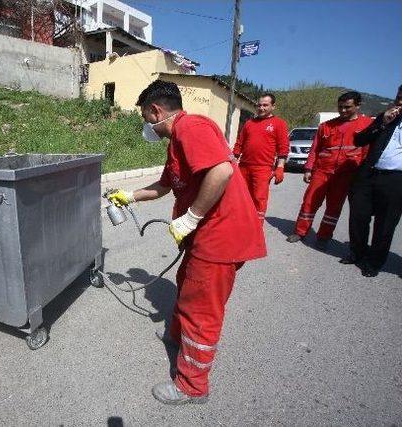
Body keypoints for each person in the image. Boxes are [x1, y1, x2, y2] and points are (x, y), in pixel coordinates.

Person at [107, 80, 266, 405]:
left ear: (156, 111)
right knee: (185, 284)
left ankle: (192, 387)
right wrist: (130, 196)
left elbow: (220, 172)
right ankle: (181, 340)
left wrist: (191, 217)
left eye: (146, 118)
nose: (147, 126)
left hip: (220, 236)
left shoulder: (191, 127)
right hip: (204, 236)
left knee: (201, 310)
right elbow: (165, 185)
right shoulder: (177, 141)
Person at [286, 92, 373, 250]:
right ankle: (300, 231)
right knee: (309, 202)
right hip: (322, 171)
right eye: (340, 107)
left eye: (347, 107)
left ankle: (324, 236)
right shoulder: (326, 126)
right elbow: (315, 149)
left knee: (334, 207)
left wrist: (363, 175)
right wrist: (308, 169)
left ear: (358, 106)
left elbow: (368, 152)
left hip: (346, 175)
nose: (343, 110)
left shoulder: (367, 125)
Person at [341, 85, 402, 277]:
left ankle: (374, 262)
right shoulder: (385, 117)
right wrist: (382, 122)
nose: (399, 102)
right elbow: (359, 140)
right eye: (398, 97)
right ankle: (357, 252)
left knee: (385, 223)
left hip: (395, 179)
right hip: (368, 174)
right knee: (358, 216)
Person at [232, 93, 289, 224]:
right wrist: (232, 161)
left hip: (263, 168)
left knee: (259, 198)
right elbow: (239, 144)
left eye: (265, 105)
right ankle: (241, 224)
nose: (261, 108)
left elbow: (283, 148)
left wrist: (280, 167)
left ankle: (257, 227)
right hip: (244, 167)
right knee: (241, 196)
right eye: (259, 105)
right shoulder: (249, 123)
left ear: (273, 106)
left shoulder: (279, 124)